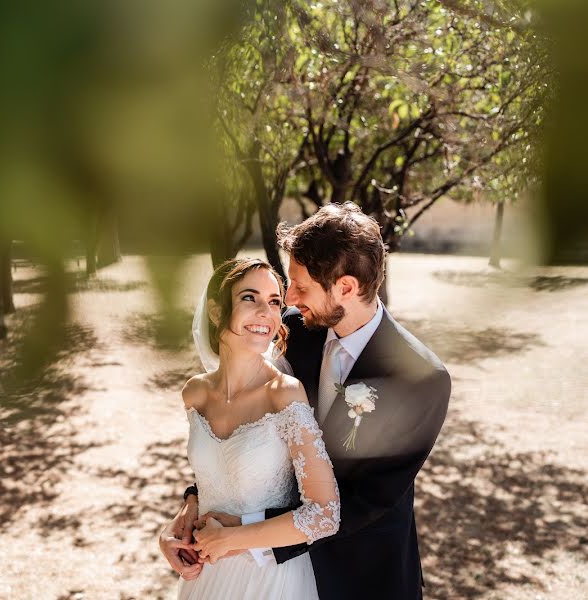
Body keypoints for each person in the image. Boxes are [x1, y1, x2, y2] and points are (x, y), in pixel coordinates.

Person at [160, 203, 451, 600]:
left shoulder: (421, 379)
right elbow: (248, 428)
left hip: (361, 574)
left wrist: (242, 532)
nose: (289, 298)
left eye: (300, 286)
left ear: (346, 288)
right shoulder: (295, 331)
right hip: (269, 572)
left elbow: (362, 501)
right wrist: (196, 500)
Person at [161, 257, 340, 599]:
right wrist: (173, 529)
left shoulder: (284, 394)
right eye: (249, 298)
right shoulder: (194, 393)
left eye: (274, 302)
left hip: (269, 580)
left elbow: (325, 513)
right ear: (215, 312)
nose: (266, 313)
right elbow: (217, 476)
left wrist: (233, 539)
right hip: (205, 577)